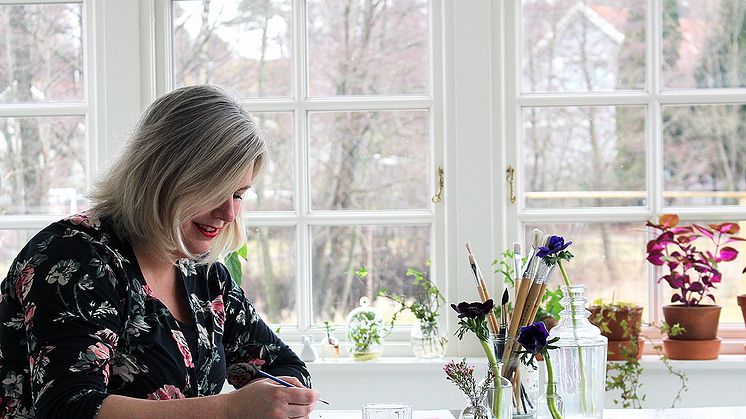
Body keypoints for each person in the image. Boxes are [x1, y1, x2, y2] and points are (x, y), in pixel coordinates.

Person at [0, 85, 319, 418]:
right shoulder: (74, 259)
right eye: (215, 191)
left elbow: (283, 364)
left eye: (238, 195)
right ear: (162, 176)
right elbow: (68, 407)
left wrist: (284, 396)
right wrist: (229, 409)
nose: (229, 213)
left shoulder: (202, 273)